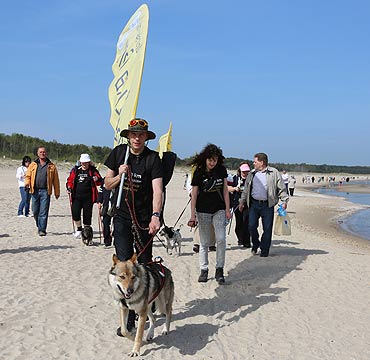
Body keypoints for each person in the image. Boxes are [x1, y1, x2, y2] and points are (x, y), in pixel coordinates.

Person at [104, 118, 163, 331]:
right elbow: (106, 183)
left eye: (141, 134)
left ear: (146, 137)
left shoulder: (153, 159)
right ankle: (129, 317)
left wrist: (156, 215)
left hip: (144, 218)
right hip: (121, 216)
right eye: (133, 134)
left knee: (144, 264)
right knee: (124, 264)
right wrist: (120, 175)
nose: (137, 138)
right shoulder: (119, 153)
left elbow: (158, 190)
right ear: (128, 136)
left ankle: (146, 306)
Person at [187, 143, 231, 284]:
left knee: (221, 239)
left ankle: (219, 269)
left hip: (219, 209)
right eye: (210, 160)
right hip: (203, 210)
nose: (212, 163)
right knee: (204, 242)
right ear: (205, 159)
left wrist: (228, 209)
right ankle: (204, 270)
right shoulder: (199, 172)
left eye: (215, 160)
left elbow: (225, 189)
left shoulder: (221, 170)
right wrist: (192, 215)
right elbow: (194, 194)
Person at [239, 152, 288, 257]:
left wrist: (284, 201)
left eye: (255, 161)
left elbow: (282, 188)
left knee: (267, 228)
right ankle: (255, 244)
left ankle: (264, 250)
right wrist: (242, 202)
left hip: (267, 205)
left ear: (262, 162)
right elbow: (246, 190)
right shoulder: (252, 174)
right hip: (253, 204)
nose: (253, 163)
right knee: (251, 226)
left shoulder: (274, 172)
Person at [25, 146, 60, 236]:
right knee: (35, 211)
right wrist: (27, 184)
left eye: (44, 152)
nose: (42, 153)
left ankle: (42, 229)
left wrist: (57, 192)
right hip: (34, 190)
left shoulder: (51, 166)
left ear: (46, 153)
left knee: (43, 211)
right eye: (40, 152)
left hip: (45, 191)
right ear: (37, 153)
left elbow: (56, 180)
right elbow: (28, 176)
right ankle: (39, 225)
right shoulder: (33, 164)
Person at [66, 154, 102, 238]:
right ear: (80, 162)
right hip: (76, 196)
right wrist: (69, 187)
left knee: (87, 214)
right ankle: (79, 229)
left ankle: (87, 232)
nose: (84, 164)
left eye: (86, 163)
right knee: (75, 213)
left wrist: (96, 179)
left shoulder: (93, 170)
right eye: (83, 163)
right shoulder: (76, 170)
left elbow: (99, 181)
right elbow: (70, 180)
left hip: (88, 197)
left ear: (89, 162)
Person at [228, 162, 251, 247]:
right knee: (239, 222)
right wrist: (235, 188)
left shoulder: (251, 179)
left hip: (248, 204)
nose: (245, 173)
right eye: (243, 171)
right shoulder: (234, 178)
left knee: (247, 222)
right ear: (240, 170)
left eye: (247, 171)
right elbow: (227, 187)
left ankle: (247, 241)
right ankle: (240, 239)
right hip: (236, 203)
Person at [97, 178, 113, 247]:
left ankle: (117, 241)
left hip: (116, 205)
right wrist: (99, 201)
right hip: (106, 205)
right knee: (105, 222)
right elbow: (101, 191)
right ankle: (107, 241)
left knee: (116, 223)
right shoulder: (104, 180)